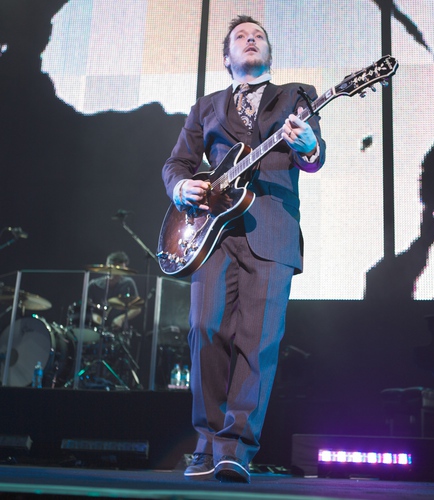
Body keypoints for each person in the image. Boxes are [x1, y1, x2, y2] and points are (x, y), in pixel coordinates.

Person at [162, 15, 326, 483]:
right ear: (227, 57)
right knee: (204, 329)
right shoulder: (206, 107)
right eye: (241, 36)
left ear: (268, 52)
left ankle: (236, 448)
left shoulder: (296, 96)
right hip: (211, 233)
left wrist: (310, 147)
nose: (250, 39)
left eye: (258, 36)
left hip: (270, 229)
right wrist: (181, 188)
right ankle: (206, 443)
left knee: (258, 341)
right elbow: (177, 163)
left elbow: (312, 158)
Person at [87, 251, 141, 332]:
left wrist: (121, 318)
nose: (118, 273)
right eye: (116, 269)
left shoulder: (128, 283)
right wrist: (94, 318)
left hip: (118, 331)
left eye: (122, 270)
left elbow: (137, 308)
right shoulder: (94, 285)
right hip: (94, 329)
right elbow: (85, 307)